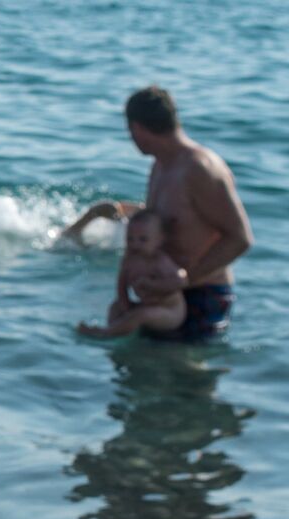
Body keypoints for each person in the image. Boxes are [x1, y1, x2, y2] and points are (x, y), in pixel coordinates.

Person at [61, 87, 252, 343]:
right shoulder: (161, 165)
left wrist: (183, 281)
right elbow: (167, 220)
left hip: (201, 293)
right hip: (162, 295)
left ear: (137, 129)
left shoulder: (201, 168)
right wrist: (103, 212)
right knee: (137, 376)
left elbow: (240, 238)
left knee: (184, 380)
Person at [77, 210, 185, 338]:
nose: (135, 244)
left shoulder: (160, 261)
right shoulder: (129, 261)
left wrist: (153, 285)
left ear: (160, 240)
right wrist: (125, 305)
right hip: (146, 306)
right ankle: (115, 329)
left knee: (142, 315)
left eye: (143, 240)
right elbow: (121, 285)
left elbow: (182, 281)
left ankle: (106, 333)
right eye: (130, 239)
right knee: (116, 306)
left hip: (170, 311)